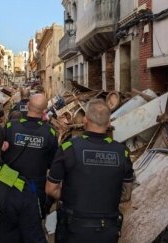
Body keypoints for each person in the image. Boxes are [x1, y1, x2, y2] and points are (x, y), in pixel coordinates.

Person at [45, 99, 135, 243]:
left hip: (74, 230)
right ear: (109, 123)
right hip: (107, 230)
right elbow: (126, 194)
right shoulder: (122, 152)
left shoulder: (68, 148)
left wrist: (73, 196)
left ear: (85, 120)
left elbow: (50, 189)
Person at [3, 94, 58, 216]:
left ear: (27, 106)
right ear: (44, 111)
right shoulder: (49, 132)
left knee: (9, 217)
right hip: (35, 185)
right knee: (33, 218)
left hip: (9, 181)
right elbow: (52, 163)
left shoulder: (10, 127)